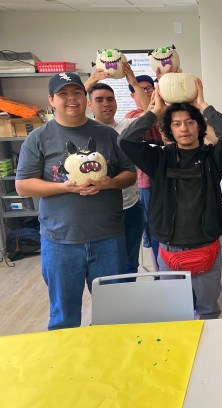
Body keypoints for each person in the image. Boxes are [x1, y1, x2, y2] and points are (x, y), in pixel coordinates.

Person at [15, 72, 136, 330]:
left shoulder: (107, 135)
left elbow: (129, 174)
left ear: (85, 98)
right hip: (60, 242)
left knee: (112, 316)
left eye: (77, 93)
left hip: (108, 238)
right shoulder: (38, 138)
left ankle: (107, 365)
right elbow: (23, 185)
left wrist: (109, 183)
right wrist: (64, 187)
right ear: (51, 99)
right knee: (64, 318)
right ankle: (67, 369)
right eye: (63, 94)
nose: (71, 99)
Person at [119, 79, 222, 319]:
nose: (184, 128)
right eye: (177, 124)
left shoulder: (211, 159)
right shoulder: (159, 158)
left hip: (206, 248)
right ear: (169, 130)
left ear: (199, 126)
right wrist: (154, 111)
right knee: (176, 313)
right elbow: (126, 141)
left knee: (208, 311)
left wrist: (203, 105)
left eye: (189, 122)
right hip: (169, 249)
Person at [85, 64, 150, 277]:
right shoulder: (82, 132)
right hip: (99, 211)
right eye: (99, 99)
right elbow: (62, 107)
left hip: (131, 207)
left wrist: (132, 80)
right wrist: (90, 82)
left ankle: (127, 306)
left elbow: (152, 112)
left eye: (110, 99)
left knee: (130, 263)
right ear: (89, 105)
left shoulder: (127, 126)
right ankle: (109, 307)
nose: (106, 104)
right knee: (104, 267)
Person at [125, 74, 165, 270]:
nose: (147, 92)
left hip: (166, 178)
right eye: (140, 89)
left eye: (150, 88)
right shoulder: (132, 117)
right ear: (133, 95)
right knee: (152, 227)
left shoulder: (164, 113)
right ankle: (158, 271)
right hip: (146, 183)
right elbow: (147, 118)